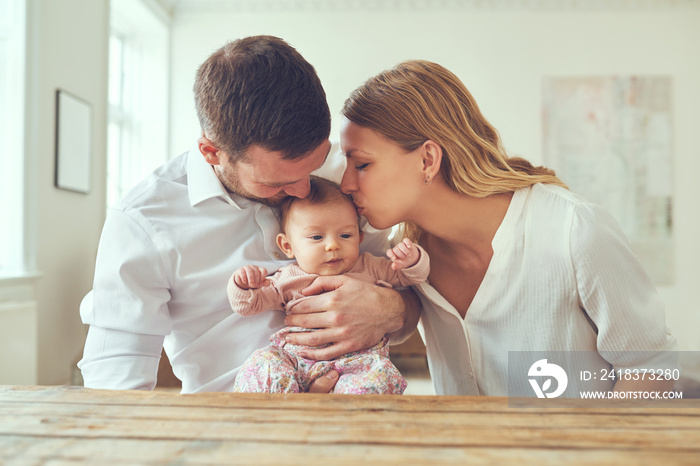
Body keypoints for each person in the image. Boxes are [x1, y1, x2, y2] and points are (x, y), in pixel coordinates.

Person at [77, 36, 420, 394]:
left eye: (315, 166)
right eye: (277, 182)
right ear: (212, 152)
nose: (305, 190)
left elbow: (410, 304)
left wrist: (390, 309)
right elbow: (116, 385)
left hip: (356, 405)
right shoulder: (143, 222)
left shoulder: (345, 173)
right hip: (230, 427)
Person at [338, 59, 678, 396]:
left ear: (427, 159)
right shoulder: (402, 252)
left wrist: (594, 449)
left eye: (362, 164)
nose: (346, 183)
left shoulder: (573, 230)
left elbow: (653, 367)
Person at [229, 177, 429, 394]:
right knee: (263, 362)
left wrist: (412, 259)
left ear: (360, 238)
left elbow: (413, 277)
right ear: (287, 246)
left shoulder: (370, 267)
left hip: (359, 364)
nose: (333, 245)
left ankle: (353, 420)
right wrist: (243, 285)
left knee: (380, 377)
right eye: (316, 237)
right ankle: (279, 411)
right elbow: (248, 306)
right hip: (297, 362)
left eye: (345, 235)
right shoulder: (288, 278)